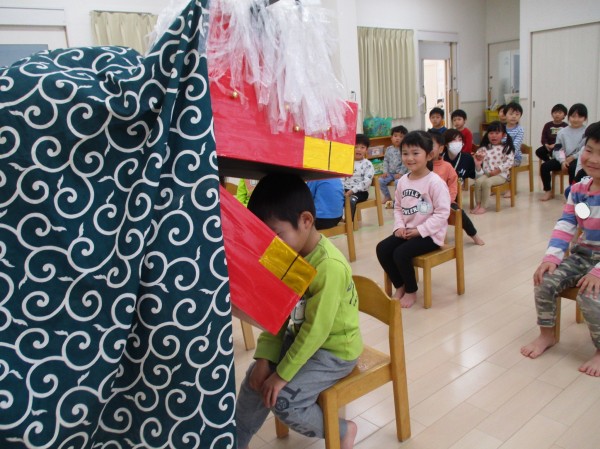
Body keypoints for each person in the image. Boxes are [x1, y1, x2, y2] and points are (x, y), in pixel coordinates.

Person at [237, 173, 363, 449]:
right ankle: (234, 441)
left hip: (335, 351)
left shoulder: (328, 266)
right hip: (302, 337)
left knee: (284, 401)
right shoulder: (284, 253)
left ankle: (343, 430)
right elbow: (278, 313)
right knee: (255, 378)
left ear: (306, 220)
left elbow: (317, 332)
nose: (269, 245)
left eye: (275, 235)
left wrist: (281, 376)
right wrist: (265, 358)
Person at [521, 121, 600, 377]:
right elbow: (566, 224)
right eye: (589, 150)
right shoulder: (578, 190)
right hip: (583, 255)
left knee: (589, 295)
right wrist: (551, 258)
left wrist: (597, 273)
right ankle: (547, 335)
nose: (593, 159)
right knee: (544, 281)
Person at [376, 131, 451, 308]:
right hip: (407, 231)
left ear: (429, 155)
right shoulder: (403, 181)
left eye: (415, 153)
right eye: (405, 153)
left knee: (400, 253)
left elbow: (442, 213)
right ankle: (400, 285)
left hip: (430, 235)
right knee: (382, 249)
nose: (409, 158)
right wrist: (399, 227)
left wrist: (420, 230)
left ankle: (411, 290)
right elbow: (398, 207)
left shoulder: (435, 182)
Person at [429, 133, 485, 245]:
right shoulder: (422, 165)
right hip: (426, 202)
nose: (427, 148)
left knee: (460, 214)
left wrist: (448, 200)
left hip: (445, 201)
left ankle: (474, 235)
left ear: (441, 148)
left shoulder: (447, 166)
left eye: (431, 145)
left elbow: (453, 185)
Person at [539, 103, 588, 201]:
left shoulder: (587, 132)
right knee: (544, 166)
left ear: (585, 118)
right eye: (573, 116)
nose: (576, 119)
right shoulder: (562, 132)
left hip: (577, 158)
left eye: (579, 117)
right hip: (563, 158)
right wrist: (562, 161)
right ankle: (548, 191)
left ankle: (571, 194)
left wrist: (573, 157)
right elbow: (558, 149)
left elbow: (585, 149)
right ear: (568, 117)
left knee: (573, 168)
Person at [471, 121, 515, 214]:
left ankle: (484, 206)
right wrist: (477, 160)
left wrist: (498, 170)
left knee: (487, 183)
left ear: (503, 135)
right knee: (478, 182)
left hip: (501, 175)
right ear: (487, 135)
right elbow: (478, 161)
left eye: (497, 133)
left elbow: (509, 162)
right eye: (491, 133)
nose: (494, 136)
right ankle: (478, 204)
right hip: (487, 174)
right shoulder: (485, 148)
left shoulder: (506, 148)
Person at [344, 134, 375, 219]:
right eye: (356, 147)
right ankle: (337, 220)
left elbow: (366, 182)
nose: (358, 150)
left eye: (362, 147)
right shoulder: (347, 162)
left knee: (351, 200)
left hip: (360, 192)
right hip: (345, 190)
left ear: (366, 150)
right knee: (333, 196)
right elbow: (341, 177)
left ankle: (349, 222)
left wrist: (352, 191)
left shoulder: (368, 164)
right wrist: (341, 189)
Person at [378, 125, 408, 207]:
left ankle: (397, 200)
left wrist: (401, 173)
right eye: (395, 136)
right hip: (390, 173)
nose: (397, 138)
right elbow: (386, 161)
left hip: (401, 174)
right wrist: (385, 171)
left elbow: (405, 162)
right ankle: (387, 196)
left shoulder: (405, 149)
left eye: (401, 137)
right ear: (391, 138)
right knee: (381, 180)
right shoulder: (388, 149)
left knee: (398, 182)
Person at [504, 102, 524, 167]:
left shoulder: (520, 130)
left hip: (515, 158)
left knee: (501, 165)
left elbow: (515, 146)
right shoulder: (501, 128)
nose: (514, 116)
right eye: (511, 114)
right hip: (500, 155)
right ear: (505, 115)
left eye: (517, 114)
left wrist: (504, 157)